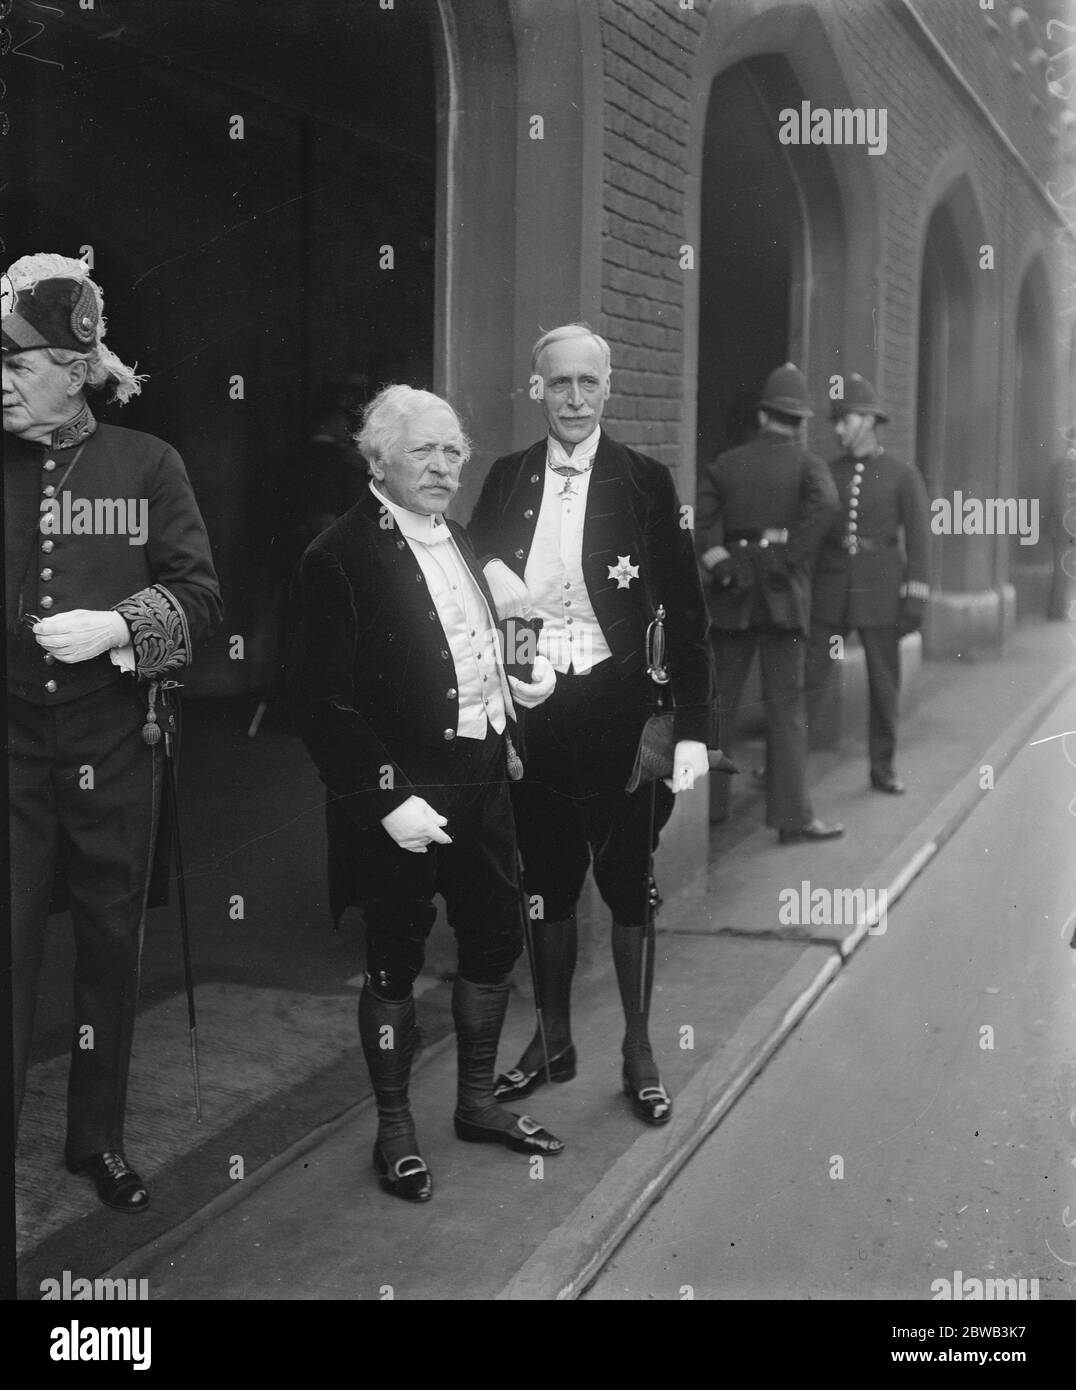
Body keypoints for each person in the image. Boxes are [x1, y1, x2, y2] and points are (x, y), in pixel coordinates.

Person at [286, 384, 564, 1204]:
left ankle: (476, 1103)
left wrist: (526, 675)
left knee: (492, 936)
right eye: (424, 452)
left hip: (482, 780)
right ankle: (396, 1130)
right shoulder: (336, 554)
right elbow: (318, 702)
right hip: (399, 794)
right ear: (379, 460)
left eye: (453, 452)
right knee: (394, 958)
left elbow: (486, 633)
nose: (444, 467)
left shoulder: (461, 536)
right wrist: (387, 799)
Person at [4, 253, 222, 1212]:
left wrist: (120, 626)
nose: (1, 381)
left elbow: (204, 599)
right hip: (8, 744)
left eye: (17, 364)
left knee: (107, 946)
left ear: (73, 362)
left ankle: (97, 1138)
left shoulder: (147, 464)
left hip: (114, 746)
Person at [468, 323, 714, 1126]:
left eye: (587, 384)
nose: (573, 399)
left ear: (607, 389)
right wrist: (511, 693)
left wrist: (682, 726)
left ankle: (638, 1048)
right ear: (537, 390)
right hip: (539, 712)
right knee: (545, 882)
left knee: (629, 885)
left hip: (622, 711)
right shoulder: (507, 479)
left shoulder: (645, 481)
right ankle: (553, 1038)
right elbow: (480, 591)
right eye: (557, 384)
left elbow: (686, 610)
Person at [696, 362, 842, 843]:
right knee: (786, 709)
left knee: (722, 706)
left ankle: (710, 812)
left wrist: (723, 565)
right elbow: (828, 507)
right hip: (782, 596)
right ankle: (791, 820)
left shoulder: (725, 461)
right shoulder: (809, 465)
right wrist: (789, 558)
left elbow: (700, 524)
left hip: (732, 593)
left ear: (763, 416)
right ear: (800, 421)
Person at [805, 374, 931, 794]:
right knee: (811, 678)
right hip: (833, 592)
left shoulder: (902, 474)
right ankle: (787, 767)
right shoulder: (827, 471)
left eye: (845, 420)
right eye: (837, 421)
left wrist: (915, 594)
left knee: (883, 683)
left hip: (881, 593)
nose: (839, 429)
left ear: (868, 420)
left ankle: (883, 768)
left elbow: (918, 538)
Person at [1045, 426, 1076, 622]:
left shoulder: (1064, 464)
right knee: (1062, 572)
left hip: (1067, 528)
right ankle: (1057, 610)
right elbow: (1060, 499)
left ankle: (1061, 608)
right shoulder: (1065, 465)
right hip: (1065, 528)